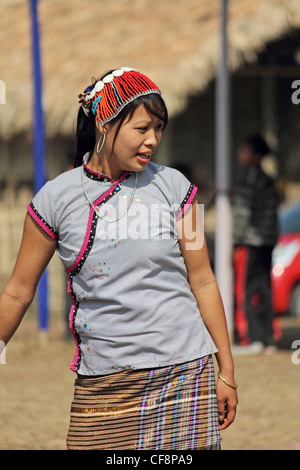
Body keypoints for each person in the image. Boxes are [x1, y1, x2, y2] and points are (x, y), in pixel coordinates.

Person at [0, 67, 237, 450]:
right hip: (105, 379)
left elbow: (203, 280)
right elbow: (17, 292)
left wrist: (226, 371)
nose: (152, 141)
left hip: (185, 372)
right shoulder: (55, 199)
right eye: (141, 129)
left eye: (158, 129)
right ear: (104, 124)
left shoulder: (177, 189)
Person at [232, 134, 279, 354]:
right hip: (268, 242)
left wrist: (235, 241)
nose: (240, 155)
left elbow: (242, 214)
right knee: (265, 289)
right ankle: (268, 337)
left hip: (250, 243)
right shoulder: (268, 180)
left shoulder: (247, 180)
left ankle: (253, 337)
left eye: (245, 150)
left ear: (256, 155)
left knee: (248, 290)